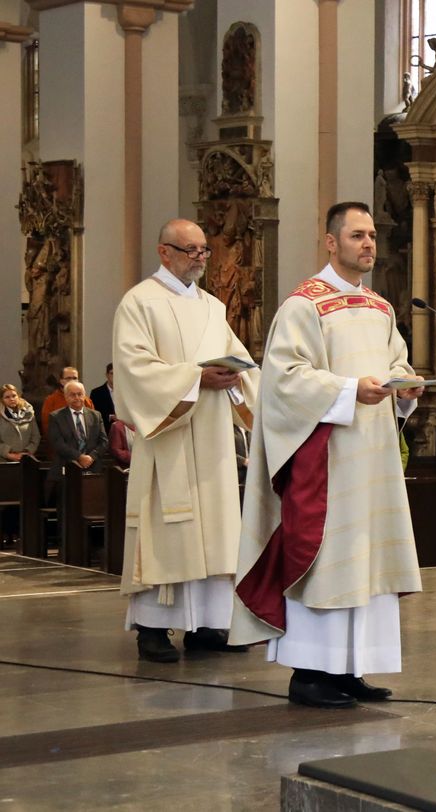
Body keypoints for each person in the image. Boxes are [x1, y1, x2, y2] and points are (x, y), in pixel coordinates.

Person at [231, 201, 425, 709]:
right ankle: (311, 673)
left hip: (374, 458)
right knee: (330, 560)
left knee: (367, 563)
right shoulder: (304, 305)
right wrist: (346, 390)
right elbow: (284, 380)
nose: (368, 245)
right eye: (357, 235)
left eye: (372, 236)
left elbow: (396, 362)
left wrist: (405, 389)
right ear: (331, 241)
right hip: (329, 458)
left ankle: (350, 667)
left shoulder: (381, 309)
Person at [112, 218, 259, 664]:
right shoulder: (139, 303)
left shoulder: (213, 307)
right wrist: (196, 378)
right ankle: (153, 629)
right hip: (169, 441)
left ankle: (208, 626)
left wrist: (235, 378)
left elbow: (243, 363)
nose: (199, 258)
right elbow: (134, 370)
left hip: (211, 439)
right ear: (164, 252)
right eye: (189, 250)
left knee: (213, 530)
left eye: (203, 251)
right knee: (167, 532)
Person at [46, 380, 107, 486]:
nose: (77, 398)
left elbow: (104, 441)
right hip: (67, 468)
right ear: (65, 396)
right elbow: (58, 444)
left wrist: (91, 457)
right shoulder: (56, 417)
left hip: (93, 468)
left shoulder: (96, 415)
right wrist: (79, 457)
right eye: (73, 395)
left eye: (80, 394)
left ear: (84, 395)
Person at [1, 384, 39, 545]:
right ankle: (4, 532)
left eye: (14, 396)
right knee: (5, 499)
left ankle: (18, 532)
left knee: (21, 499)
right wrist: (8, 453)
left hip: (25, 461)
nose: (11, 399)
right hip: (4, 463)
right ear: (2, 400)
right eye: (7, 397)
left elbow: (36, 436)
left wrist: (27, 452)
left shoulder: (29, 413)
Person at [40, 366, 94, 438]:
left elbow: (93, 424)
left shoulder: (86, 400)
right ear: (61, 381)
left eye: (75, 378)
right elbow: (47, 427)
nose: (72, 381)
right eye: (68, 378)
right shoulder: (51, 400)